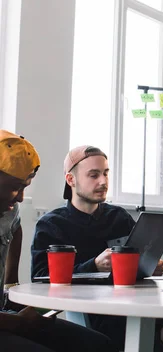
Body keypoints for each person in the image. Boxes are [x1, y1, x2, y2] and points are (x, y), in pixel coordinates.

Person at [31, 145, 163, 352]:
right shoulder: (52, 225)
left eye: (106, 173)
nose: (103, 181)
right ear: (70, 180)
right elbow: (40, 277)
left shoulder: (119, 217)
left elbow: (136, 262)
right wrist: (94, 266)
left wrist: (148, 267)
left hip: (136, 303)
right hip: (97, 313)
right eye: (93, 175)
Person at [0, 131, 117, 352]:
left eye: (25, 187)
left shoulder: (9, 211)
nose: (20, 198)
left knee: (100, 345)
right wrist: (19, 323)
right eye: (15, 187)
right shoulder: (52, 224)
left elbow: (14, 228)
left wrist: (11, 288)